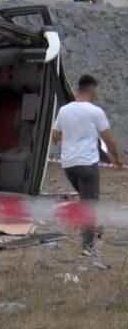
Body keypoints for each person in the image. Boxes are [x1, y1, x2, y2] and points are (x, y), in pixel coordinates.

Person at [51, 75, 124, 254]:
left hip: (68, 165)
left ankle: (89, 228)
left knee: (87, 200)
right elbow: (109, 139)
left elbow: (55, 136)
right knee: (89, 204)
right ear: (91, 89)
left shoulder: (64, 110)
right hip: (87, 164)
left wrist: (70, 136)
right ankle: (88, 246)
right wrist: (117, 158)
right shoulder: (95, 112)